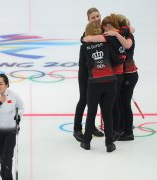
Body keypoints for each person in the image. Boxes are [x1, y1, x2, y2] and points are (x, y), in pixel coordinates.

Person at [83, 14, 132, 140]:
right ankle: (119, 129)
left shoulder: (108, 38)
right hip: (118, 74)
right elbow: (128, 38)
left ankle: (116, 130)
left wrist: (85, 38)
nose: (104, 30)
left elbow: (88, 39)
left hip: (113, 75)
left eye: (104, 28)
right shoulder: (123, 33)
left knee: (113, 106)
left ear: (109, 26)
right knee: (117, 103)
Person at [79, 22, 121, 152]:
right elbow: (117, 61)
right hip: (110, 82)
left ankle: (86, 142)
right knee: (107, 113)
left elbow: (83, 68)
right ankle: (109, 144)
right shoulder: (107, 43)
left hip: (94, 84)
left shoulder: (85, 47)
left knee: (91, 112)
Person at [0, 74, 24, 180]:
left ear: (6, 84)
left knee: (7, 157)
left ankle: (7, 177)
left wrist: (18, 116)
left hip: (10, 130)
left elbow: (21, 107)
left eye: (0, 84)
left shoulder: (14, 95)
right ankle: (4, 170)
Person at [73, 7, 104, 142]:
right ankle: (77, 129)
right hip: (86, 73)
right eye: (93, 17)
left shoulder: (105, 30)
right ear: (88, 20)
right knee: (84, 100)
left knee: (95, 100)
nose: (96, 19)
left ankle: (90, 126)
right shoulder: (87, 34)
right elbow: (84, 39)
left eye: (98, 16)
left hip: (100, 72)